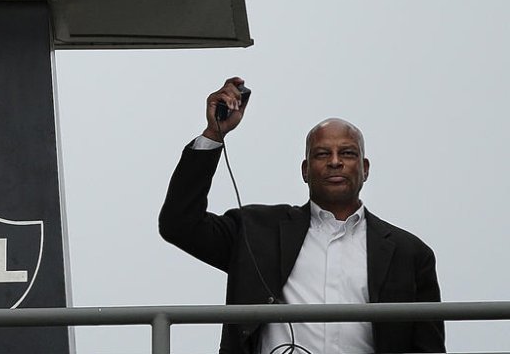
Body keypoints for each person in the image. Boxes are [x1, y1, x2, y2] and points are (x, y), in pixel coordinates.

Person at [159, 77, 444, 354]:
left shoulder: (411, 254)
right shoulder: (256, 231)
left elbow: (427, 348)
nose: (335, 162)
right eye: (322, 154)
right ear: (305, 170)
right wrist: (213, 134)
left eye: (346, 153)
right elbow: (179, 225)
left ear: (365, 168)